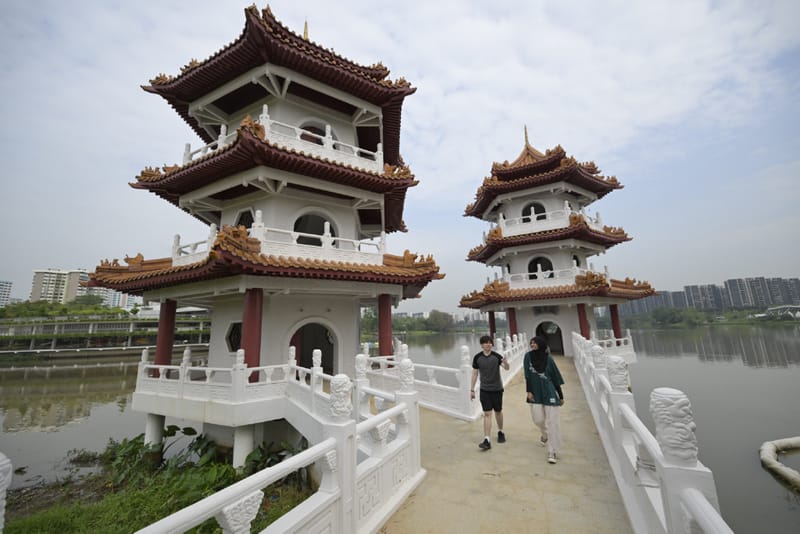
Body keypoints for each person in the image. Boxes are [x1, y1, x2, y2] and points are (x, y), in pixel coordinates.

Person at [524, 336, 565, 464]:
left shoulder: (549, 359)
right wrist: (529, 391)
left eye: (535, 342)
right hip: (535, 392)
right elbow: (527, 375)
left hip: (549, 392)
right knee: (538, 419)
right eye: (531, 343)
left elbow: (555, 378)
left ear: (541, 344)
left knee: (552, 422)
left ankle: (552, 451)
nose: (532, 344)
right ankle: (545, 434)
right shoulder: (528, 357)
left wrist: (561, 395)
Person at [471, 334, 510, 450]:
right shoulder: (477, 357)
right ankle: (487, 439)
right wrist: (472, 389)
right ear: (482, 345)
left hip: (497, 389)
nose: (488, 344)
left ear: (492, 344)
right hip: (484, 390)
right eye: (485, 343)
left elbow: (506, 368)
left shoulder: (497, 356)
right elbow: (474, 373)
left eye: (490, 342)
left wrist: (506, 363)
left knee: (498, 412)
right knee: (487, 414)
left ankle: (500, 431)